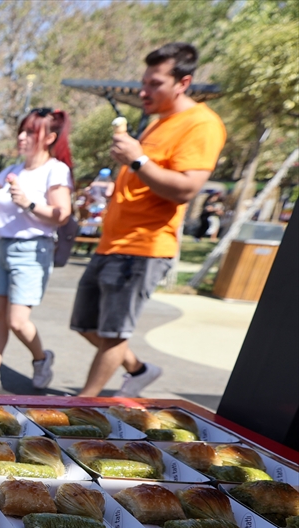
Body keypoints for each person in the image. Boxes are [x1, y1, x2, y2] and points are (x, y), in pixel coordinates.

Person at [71, 42, 226, 397]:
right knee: (84, 323)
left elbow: (186, 189)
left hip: (143, 246)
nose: (144, 90)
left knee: (112, 334)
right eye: (144, 81)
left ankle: (82, 404)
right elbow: (148, 178)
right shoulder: (158, 124)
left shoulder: (201, 124)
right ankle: (138, 370)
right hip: (112, 242)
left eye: (155, 83)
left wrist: (138, 161)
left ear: (183, 82)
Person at [0, 107, 74, 392]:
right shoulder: (11, 170)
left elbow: (62, 214)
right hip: (2, 247)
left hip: (33, 250)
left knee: (18, 321)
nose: (21, 137)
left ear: (49, 137)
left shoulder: (55, 170)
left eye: (30, 132)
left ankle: (41, 357)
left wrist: (29, 203)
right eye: (21, 131)